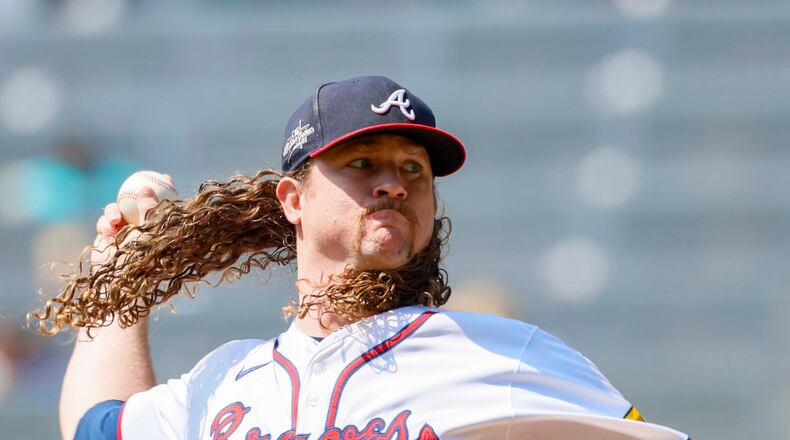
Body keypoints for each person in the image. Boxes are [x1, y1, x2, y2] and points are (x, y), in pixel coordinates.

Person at [32, 76, 689, 440]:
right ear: (293, 199)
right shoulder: (225, 382)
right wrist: (121, 263)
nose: (394, 183)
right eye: (362, 163)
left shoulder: (505, 357)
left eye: (414, 169)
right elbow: (97, 427)